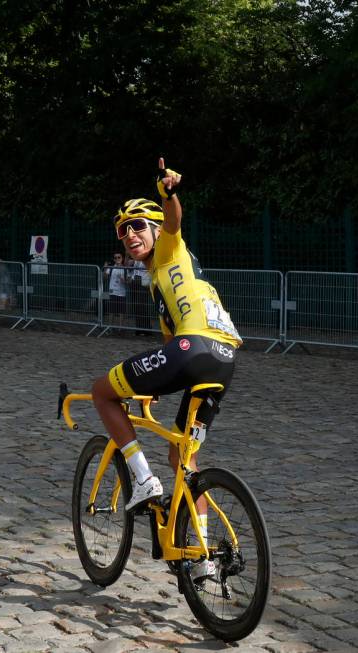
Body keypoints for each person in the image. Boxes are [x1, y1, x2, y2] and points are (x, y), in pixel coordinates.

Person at [92, 157, 242, 579]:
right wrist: (150, 387)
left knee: (103, 391)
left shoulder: (170, 247)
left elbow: (174, 220)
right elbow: (165, 346)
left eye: (138, 225)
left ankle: (142, 480)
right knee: (184, 458)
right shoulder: (160, 278)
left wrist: (168, 193)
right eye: (123, 230)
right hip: (224, 358)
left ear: (156, 230)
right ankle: (202, 558)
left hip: (191, 349)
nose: (129, 234)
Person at [124, 253, 152, 334]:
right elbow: (127, 265)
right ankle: (139, 328)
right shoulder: (136, 258)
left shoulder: (148, 258)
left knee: (142, 306)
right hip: (134, 282)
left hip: (143, 283)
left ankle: (147, 329)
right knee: (136, 306)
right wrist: (127, 255)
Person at [103, 252, 126, 327]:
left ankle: (120, 327)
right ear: (114, 259)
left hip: (121, 292)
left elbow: (128, 281)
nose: (117, 259)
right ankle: (110, 327)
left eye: (119, 257)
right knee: (111, 311)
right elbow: (105, 277)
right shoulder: (111, 268)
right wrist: (105, 268)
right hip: (112, 291)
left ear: (122, 258)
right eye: (115, 258)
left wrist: (123, 280)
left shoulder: (125, 269)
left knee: (121, 312)